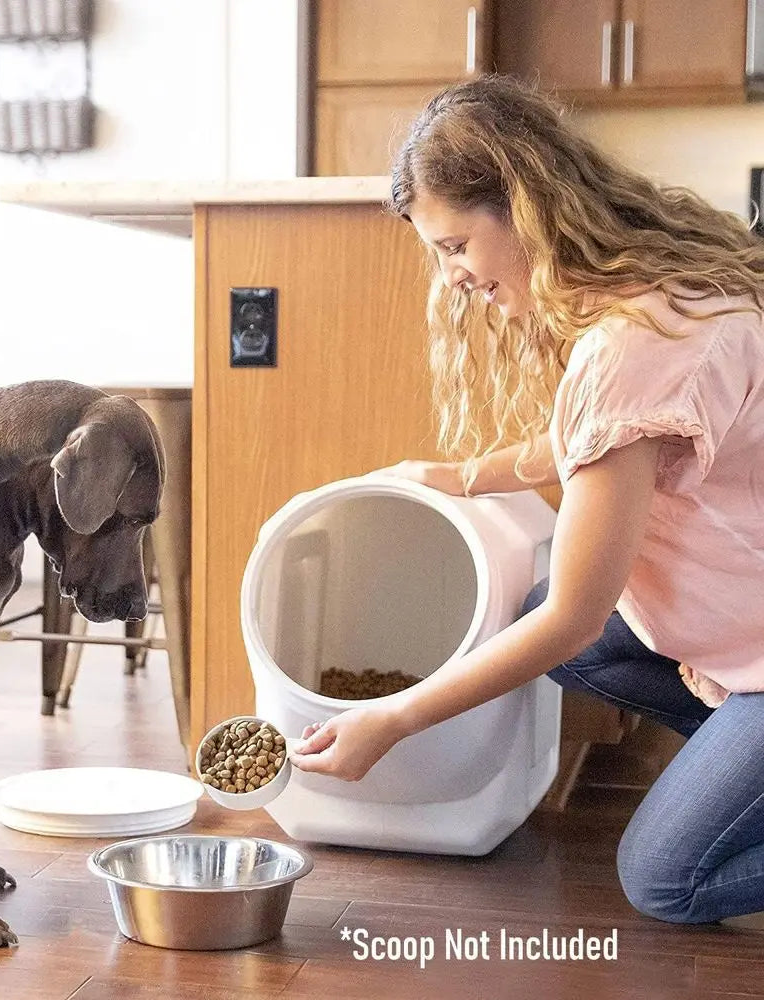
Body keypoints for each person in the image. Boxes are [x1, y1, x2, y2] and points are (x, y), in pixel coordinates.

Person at [288, 75, 764, 925]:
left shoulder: (628, 349)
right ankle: (737, 770)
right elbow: (600, 443)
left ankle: (738, 765)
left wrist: (392, 718)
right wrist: (464, 474)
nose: (453, 276)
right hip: (742, 614)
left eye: (456, 245)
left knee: (665, 880)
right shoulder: (663, 296)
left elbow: (576, 619)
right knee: (541, 610)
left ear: (526, 207)